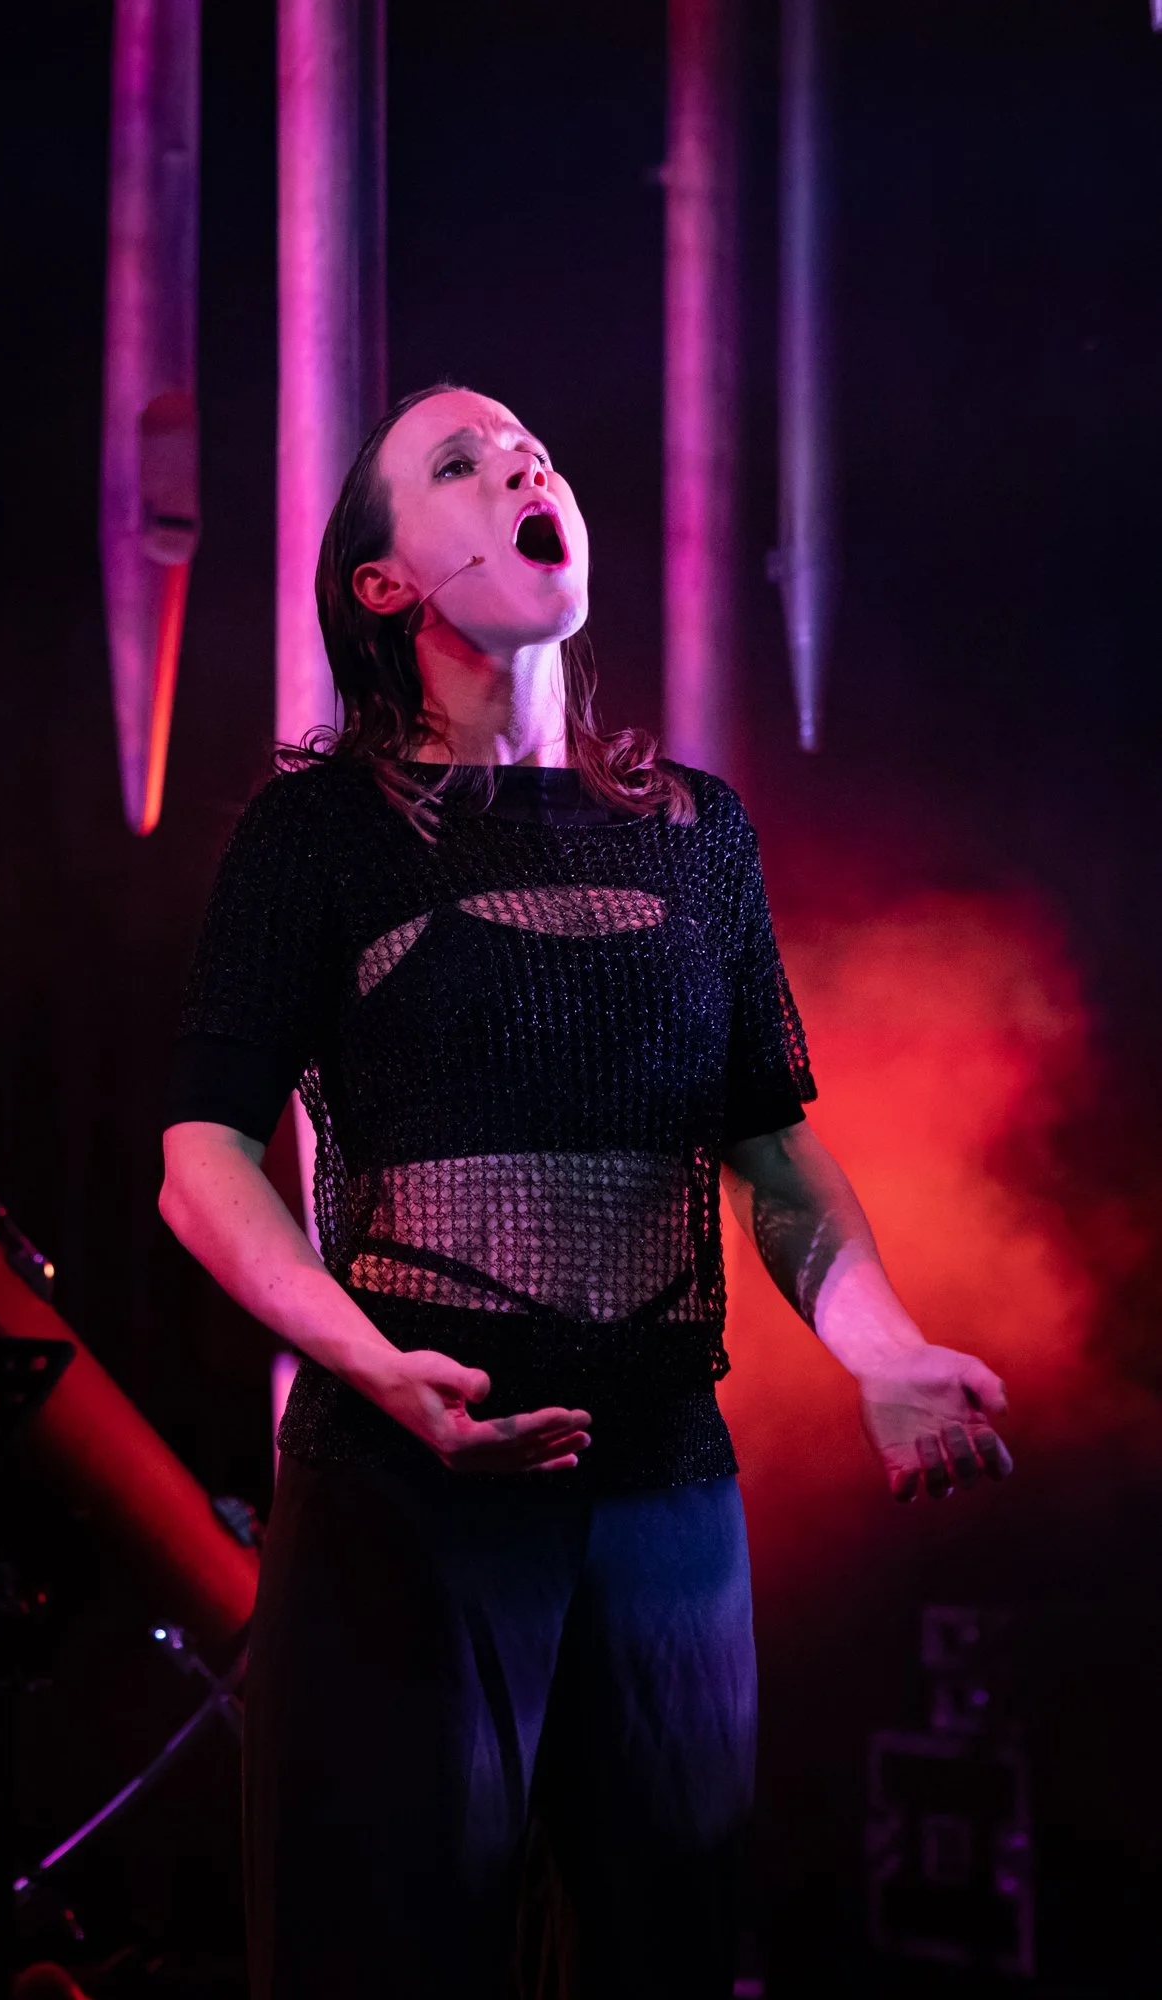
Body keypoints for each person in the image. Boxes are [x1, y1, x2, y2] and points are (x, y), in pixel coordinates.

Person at [158, 383, 1013, 2000]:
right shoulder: (320, 834)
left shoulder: (699, 833)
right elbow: (199, 1159)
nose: (524, 465)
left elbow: (767, 1139)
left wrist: (882, 1350)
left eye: (535, 448)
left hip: (664, 1508)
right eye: (462, 464)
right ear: (383, 583)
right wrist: (364, 1362)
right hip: (406, 1506)